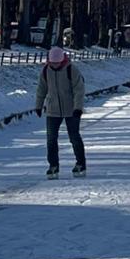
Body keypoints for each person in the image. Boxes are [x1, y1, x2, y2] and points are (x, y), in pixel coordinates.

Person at [35, 46, 87, 178]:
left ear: (62, 60)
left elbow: (79, 90)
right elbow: (41, 89)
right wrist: (38, 106)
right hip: (53, 110)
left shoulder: (71, 69)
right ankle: (53, 166)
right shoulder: (46, 71)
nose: (55, 65)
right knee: (51, 139)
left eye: (57, 62)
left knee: (74, 137)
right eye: (52, 63)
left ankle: (80, 163)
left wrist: (78, 108)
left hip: (71, 110)